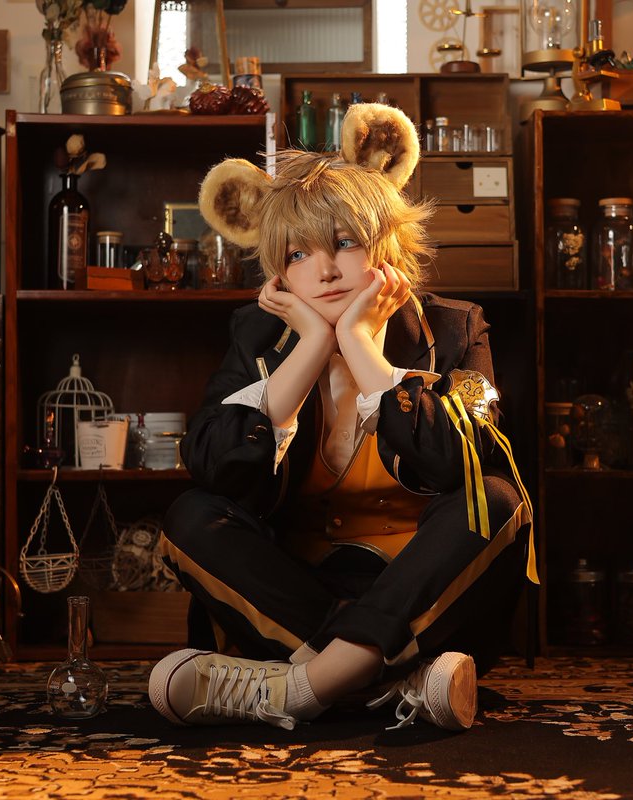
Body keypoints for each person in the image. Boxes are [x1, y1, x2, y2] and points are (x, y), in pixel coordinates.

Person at [149, 102, 536, 733]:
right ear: (277, 271)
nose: (324, 270)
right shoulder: (257, 335)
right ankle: (395, 681)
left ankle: (306, 686)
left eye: (345, 243)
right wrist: (308, 347)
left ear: (389, 242)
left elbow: (457, 460)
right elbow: (215, 466)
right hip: (296, 594)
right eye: (297, 254)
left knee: (493, 499)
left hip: (417, 596)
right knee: (192, 514)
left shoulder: (455, 330)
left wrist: (361, 346)